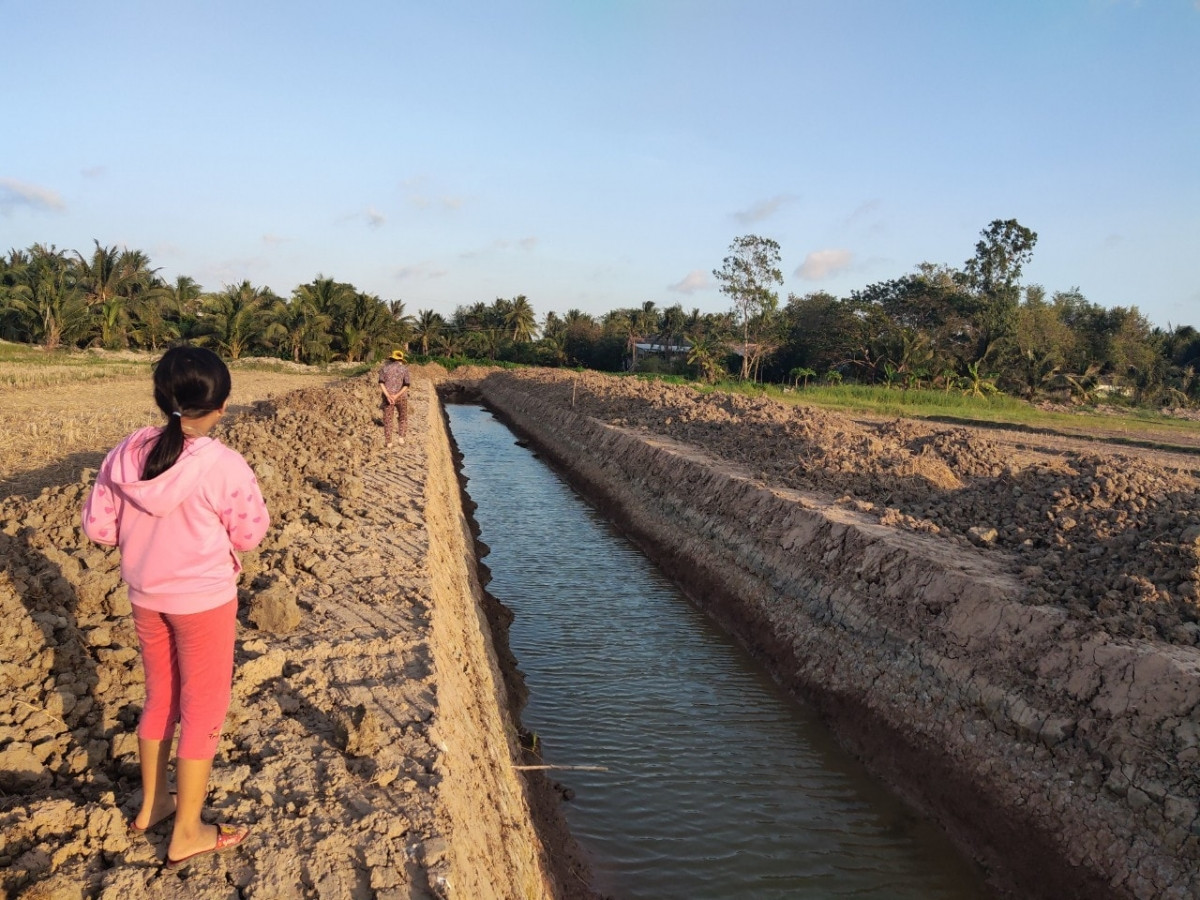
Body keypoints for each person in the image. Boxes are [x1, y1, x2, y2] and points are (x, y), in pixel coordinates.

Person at [81, 345, 269, 868]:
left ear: (161, 396)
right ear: (220, 406)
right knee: (204, 708)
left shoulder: (124, 453)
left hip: (146, 597)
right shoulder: (222, 464)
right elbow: (250, 535)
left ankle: (154, 805)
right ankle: (187, 829)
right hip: (204, 602)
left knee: (160, 697)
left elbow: (99, 529)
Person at [378, 348, 411, 448]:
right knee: (403, 417)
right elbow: (406, 385)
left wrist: (388, 395)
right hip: (401, 397)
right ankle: (401, 438)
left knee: (388, 419)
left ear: (391, 359)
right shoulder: (405, 369)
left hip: (387, 397)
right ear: (401, 360)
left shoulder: (384, 369)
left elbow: (381, 383)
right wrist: (396, 395)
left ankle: (389, 443)